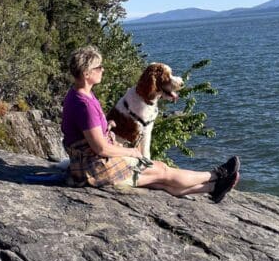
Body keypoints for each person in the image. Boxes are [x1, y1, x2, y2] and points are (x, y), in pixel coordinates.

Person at [62, 45, 240, 202]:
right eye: (99, 67)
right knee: (162, 171)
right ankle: (217, 175)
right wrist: (131, 152)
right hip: (95, 169)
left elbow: (86, 132)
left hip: (88, 164)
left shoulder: (80, 94)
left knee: (158, 180)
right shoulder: (84, 103)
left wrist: (106, 126)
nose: (103, 70)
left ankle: (212, 188)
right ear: (87, 73)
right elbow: (101, 149)